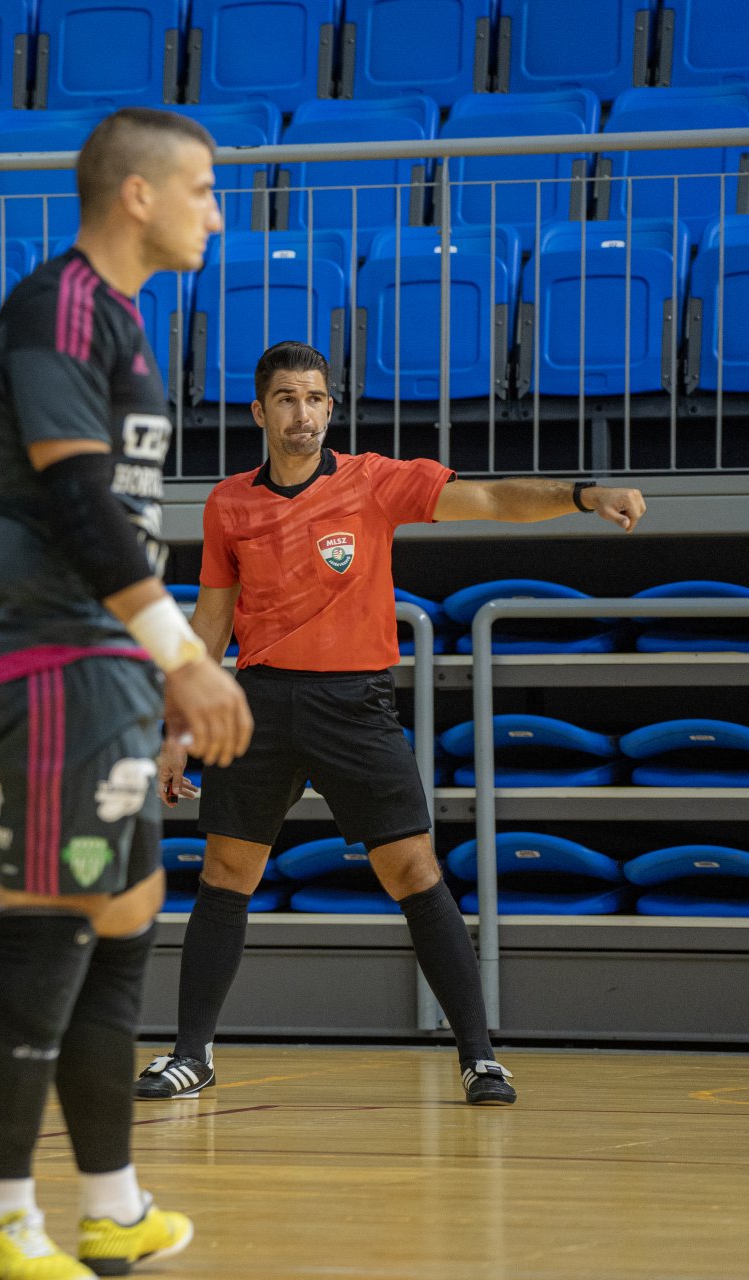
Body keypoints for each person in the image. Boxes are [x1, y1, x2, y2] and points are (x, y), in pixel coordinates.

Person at [134, 339, 648, 1108]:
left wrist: (581, 492)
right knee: (223, 876)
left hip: (355, 705)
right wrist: (175, 732)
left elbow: (491, 499)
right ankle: (191, 1055)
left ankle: (479, 1058)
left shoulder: (375, 483)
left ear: (330, 409)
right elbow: (208, 624)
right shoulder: (227, 503)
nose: (301, 413)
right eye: (285, 398)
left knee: (414, 871)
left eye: (313, 398)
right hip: (258, 705)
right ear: (259, 410)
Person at [0, 108, 253, 1280]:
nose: (216, 213)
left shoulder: (123, 319)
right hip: (50, 658)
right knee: (48, 920)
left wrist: (155, 661)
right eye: (206, 189)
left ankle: (114, 1204)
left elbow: (122, 518)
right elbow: (78, 505)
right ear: (139, 194)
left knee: (124, 921)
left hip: (109, 663)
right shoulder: (61, 305)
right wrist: (178, 650)